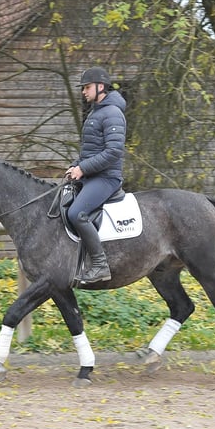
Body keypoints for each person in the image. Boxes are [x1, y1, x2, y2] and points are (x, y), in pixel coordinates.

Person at [65, 66, 127, 284]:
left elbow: (113, 152)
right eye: (83, 88)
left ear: (101, 87)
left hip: (107, 178)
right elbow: (91, 150)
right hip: (92, 175)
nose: (84, 91)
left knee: (76, 213)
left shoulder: (112, 113)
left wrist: (83, 169)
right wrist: (75, 166)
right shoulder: (96, 112)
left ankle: (100, 265)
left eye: (87, 87)